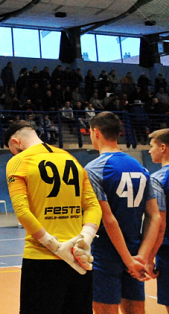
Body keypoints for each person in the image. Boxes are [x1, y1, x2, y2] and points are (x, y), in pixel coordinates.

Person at [5, 120, 102, 314]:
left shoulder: (19, 161)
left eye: (12, 149)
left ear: (16, 142)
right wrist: (85, 239)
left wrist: (55, 246)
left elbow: (22, 212)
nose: (14, 154)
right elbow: (92, 206)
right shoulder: (70, 158)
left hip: (42, 259)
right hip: (78, 259)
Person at [84, 112, 160, 314]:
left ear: (96, 132)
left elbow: (108, 219)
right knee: (136, 310)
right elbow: (155, 216)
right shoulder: (140, 168)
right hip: (136, 251)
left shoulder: (93, 169)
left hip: (105, 254)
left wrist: (128, 261)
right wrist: (140, 258)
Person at [148, 129, 169, 312]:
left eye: (152, 146)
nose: (149, 151)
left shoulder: (158, 179)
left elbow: (160, 223)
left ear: (163, 147)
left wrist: (149, 257)